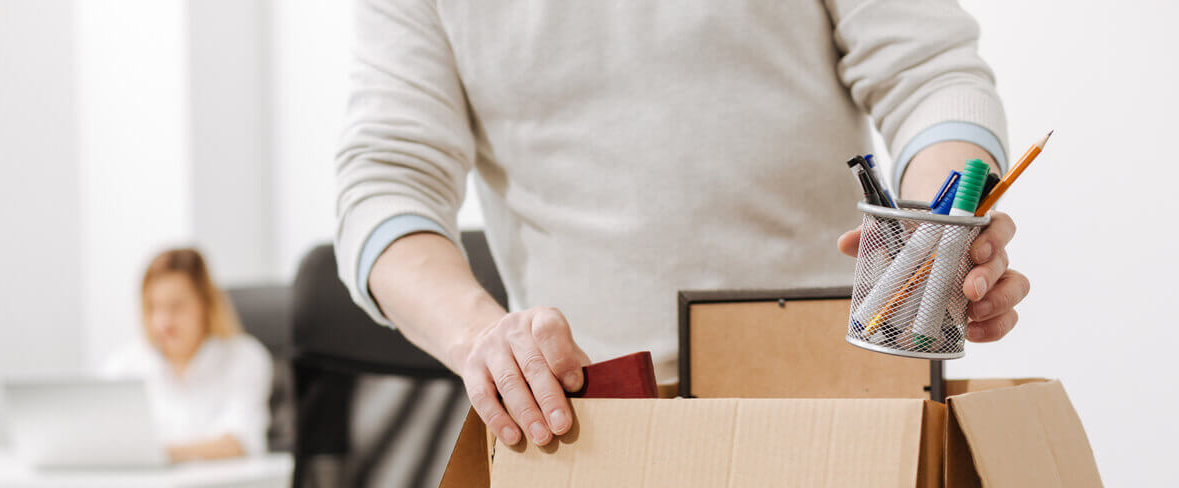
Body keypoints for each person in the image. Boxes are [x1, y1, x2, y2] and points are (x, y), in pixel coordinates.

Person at [335, 1, 1029, 448]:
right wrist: (479, 338)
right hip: (593, 423)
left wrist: (938, 235)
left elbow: (931, 74)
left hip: (838, 403)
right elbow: (387, 180)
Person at [104, 247, 273, 462]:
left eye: (176, 307)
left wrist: (154, 455)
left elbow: (239, 441)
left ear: (205, 305)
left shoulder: (245, 358)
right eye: (154, 307)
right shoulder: (124, 364)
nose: (163, 321)